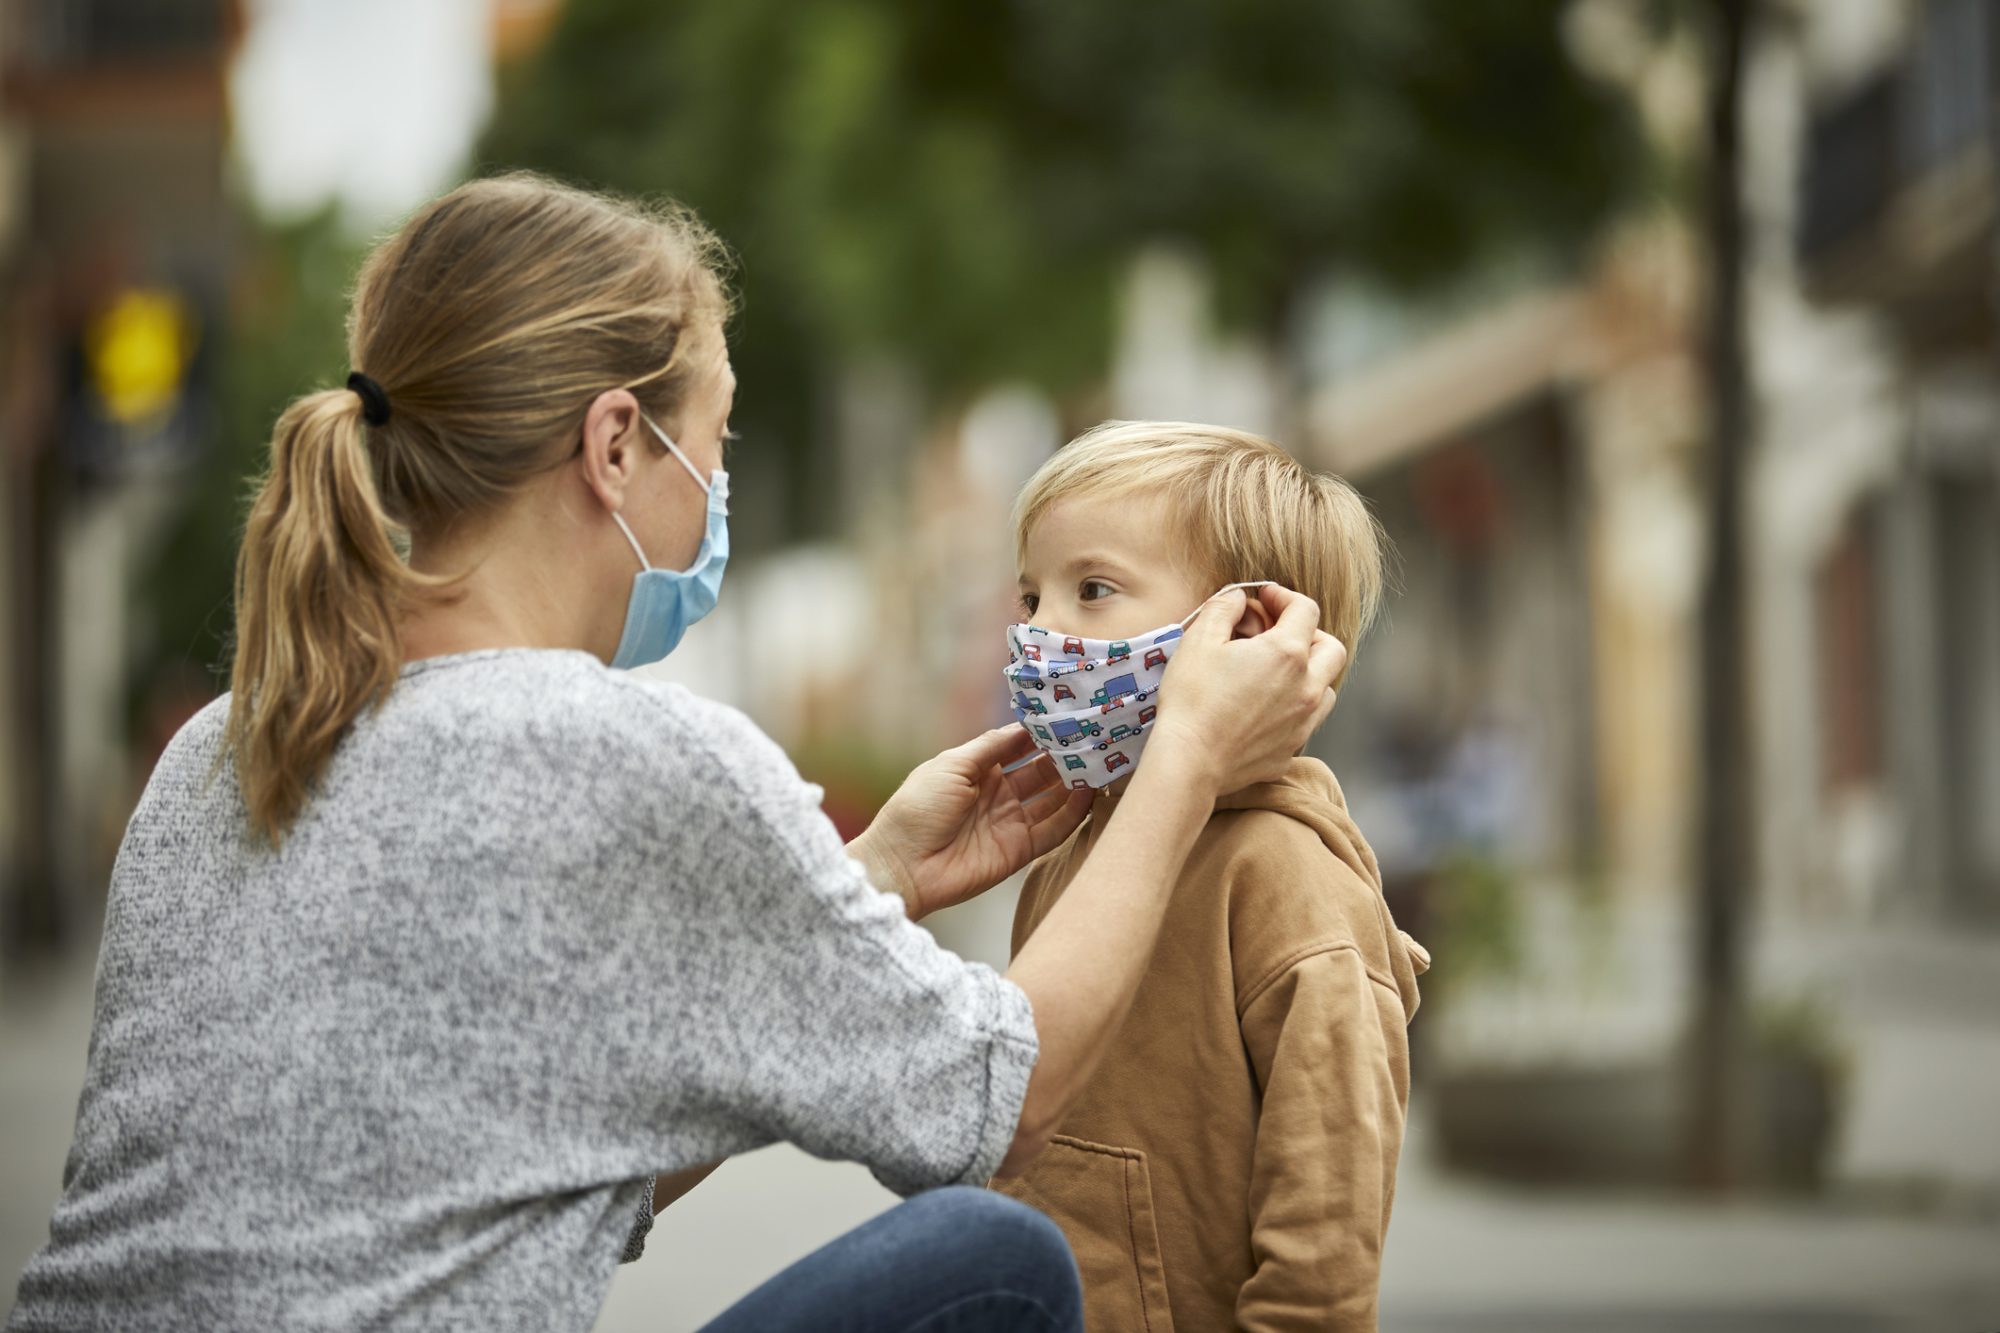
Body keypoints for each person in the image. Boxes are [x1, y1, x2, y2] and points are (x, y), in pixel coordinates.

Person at [4, 176, 1346, 1332]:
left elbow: (512, 1168)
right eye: (713, 441)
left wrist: (865, 885)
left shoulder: (221, 748)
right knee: (994, 1260)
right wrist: (1185, 754)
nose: (717, 484)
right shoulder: (624, 749)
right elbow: (1006, 1094)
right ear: (612, 444)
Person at [994, 421, 1431, 1331]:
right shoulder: (1076, 853)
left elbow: (1326, 1251)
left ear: (1254, 630)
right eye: (1032, 594)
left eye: (1093, 588)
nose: (1039, 634)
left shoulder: (1289, 879)